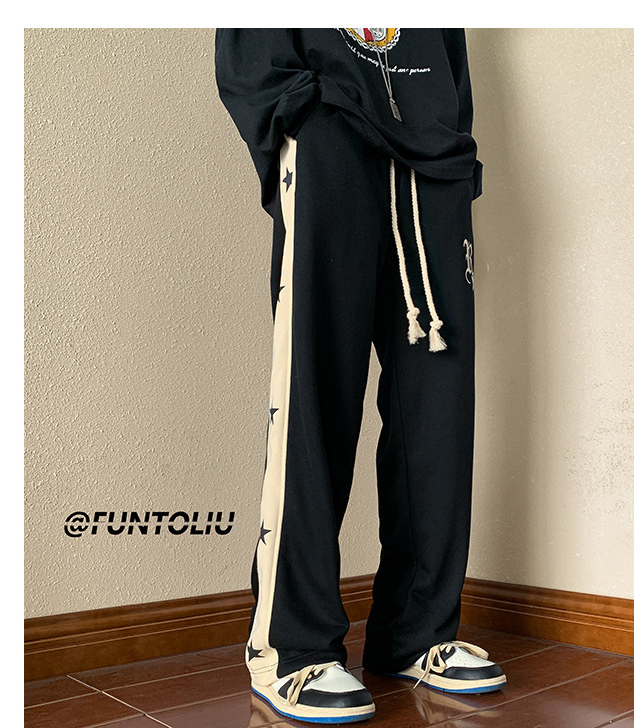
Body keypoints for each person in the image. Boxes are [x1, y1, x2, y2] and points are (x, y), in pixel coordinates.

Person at [214, 28, 506, 724]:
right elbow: (249, 50)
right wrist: (303, 120)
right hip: (330, 138)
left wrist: (452, 149)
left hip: (431, 164)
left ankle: (418, 631)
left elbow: (449, 58)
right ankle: (291, 645)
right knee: (316, 393)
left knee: (437, 407)